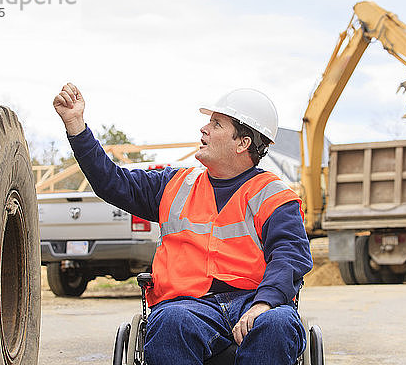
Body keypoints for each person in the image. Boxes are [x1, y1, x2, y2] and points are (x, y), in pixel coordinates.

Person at [53, 83, 313, 365]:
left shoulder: (274, 195)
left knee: (277, 323)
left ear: (243, 143)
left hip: (254, 301)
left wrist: (264, 303)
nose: (204, 129)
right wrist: (76, 126)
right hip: (187, 306)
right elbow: (111, 182)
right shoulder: (173, 185)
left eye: (216, 124)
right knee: (171, 322)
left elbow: (289, 256)